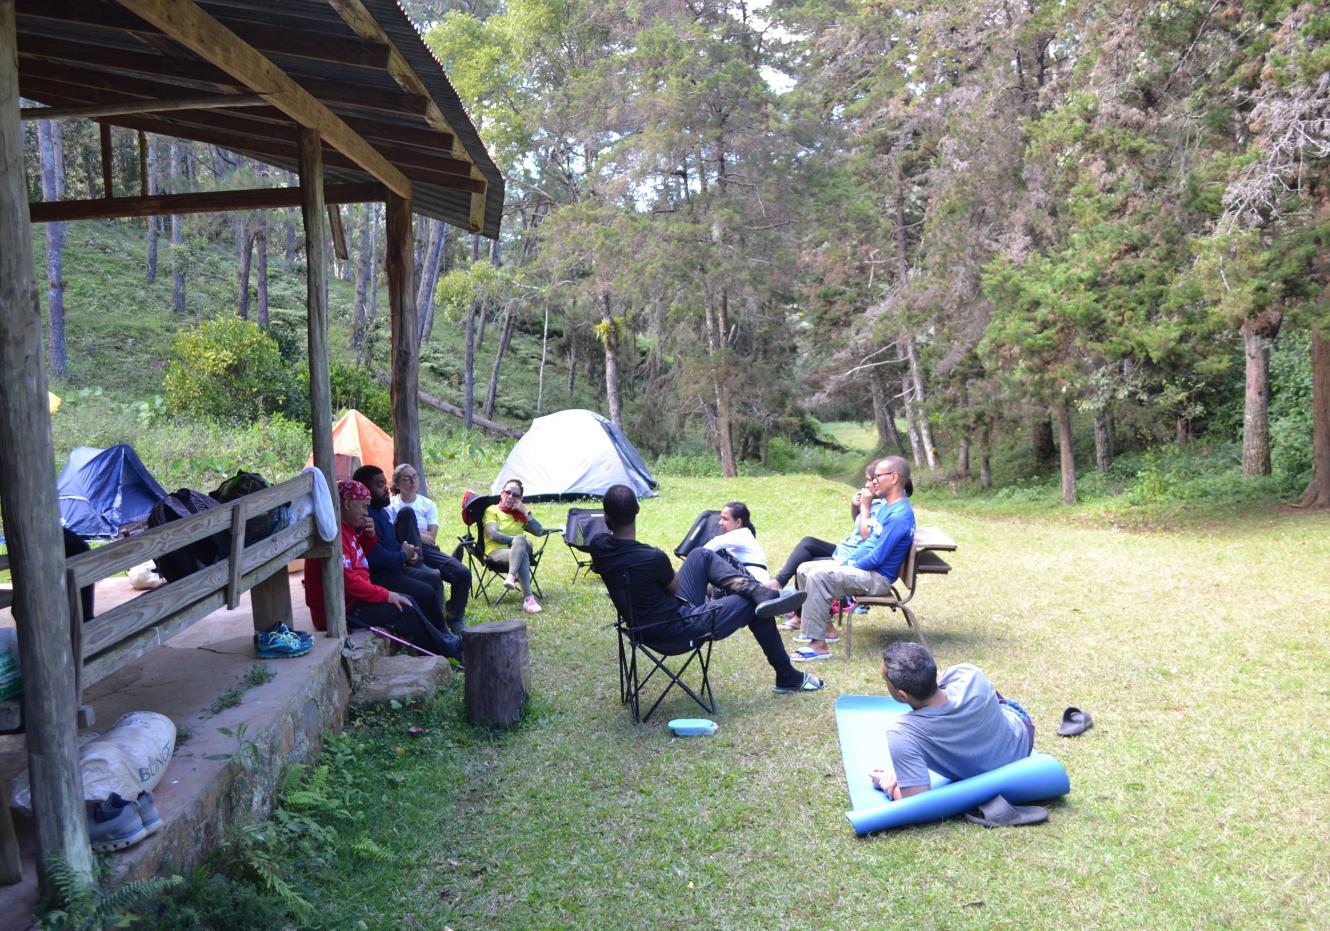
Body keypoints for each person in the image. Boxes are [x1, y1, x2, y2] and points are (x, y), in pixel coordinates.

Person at [589, 484, 825, 695]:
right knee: (754, 605)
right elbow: (673, 587)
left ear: (606, 516)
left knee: (701, 554)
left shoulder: (599, 548)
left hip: (642, 627)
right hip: (676, 630)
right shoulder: (652, 557)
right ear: (637, 511)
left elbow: (605, 544)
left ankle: (760, 592)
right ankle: (786, 674)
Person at [304, 480, 461, 659]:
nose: (365, 512)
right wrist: (386, 595)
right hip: (339, 610)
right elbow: (348, 581)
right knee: (404, 606)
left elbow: (355, 558)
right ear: (347, 504)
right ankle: (445, 652)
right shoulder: (335, 536)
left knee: (409, 599)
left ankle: (443, 642)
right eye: (363, 507)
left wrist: (368, 538)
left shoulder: (345, 529)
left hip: (351, 601)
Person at [869, 642, 1034, 799]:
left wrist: (888, 785)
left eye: (885, 680)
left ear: (902, 694)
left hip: (1011, 746)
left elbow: (916, 802)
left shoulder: (902, 733)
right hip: (1022, 746)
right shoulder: (970, 674)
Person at [791, 455, 915, 661]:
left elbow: (877, 556)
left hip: (877, 579)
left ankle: (818, 645)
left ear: (893, 478)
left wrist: (850, 564)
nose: (873, 482)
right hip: (867, 570)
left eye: (878, 477)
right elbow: (868, 544)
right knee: (804, 568)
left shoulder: (899, 515)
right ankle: (826, 628)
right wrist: (844, 563)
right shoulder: (887, 507)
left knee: (819, 576)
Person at [352, 465, 454, 635]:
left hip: (396, 568)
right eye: (379, 485)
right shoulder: (366, 517)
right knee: (425, 591)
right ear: (365, 489)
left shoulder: (381, 512)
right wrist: (403, 554)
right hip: (380, 576)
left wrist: (407, 553)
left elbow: (389, 544)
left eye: (385, 484)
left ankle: (440, 628)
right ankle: (439, 635)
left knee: (434, 579)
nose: (386, 489)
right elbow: (376, 557)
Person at [389, 463, 471, 630]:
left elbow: (431, 537)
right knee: (407, 518)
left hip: (428, 550)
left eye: (415, 477)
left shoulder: (427, 504)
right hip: (405, 550)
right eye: (407, 478)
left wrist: (413, 532)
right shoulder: (391, 506)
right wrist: (419, 533)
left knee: (462, 573)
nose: (412, 481)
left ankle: (455, 617)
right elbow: (394, 537)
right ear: (397, 484)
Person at [483, 478, 552, 614]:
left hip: (515, 553)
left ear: (520, 498)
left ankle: (511, 576)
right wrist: (516, 541)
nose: (510, 497)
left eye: (515, 495)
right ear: (502, 492)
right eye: (508, 492)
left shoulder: (519, 514)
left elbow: (539, 531)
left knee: (521, 544)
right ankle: (528, 600)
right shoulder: (492, 510)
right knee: (521, 546)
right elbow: (492, 534)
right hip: (496, 552)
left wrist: (525, 511)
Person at [702, 501, 769, 583]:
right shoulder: (737, 538)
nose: (720, 523)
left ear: (738, 522)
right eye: (721, 518)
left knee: (716, 554)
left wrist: (694, 560)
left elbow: (712, 546)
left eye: (725, 519)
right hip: (747, 581)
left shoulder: (742, 534)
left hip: (754, 583)